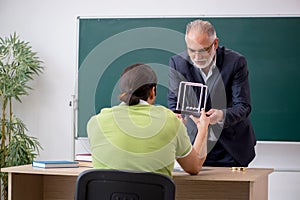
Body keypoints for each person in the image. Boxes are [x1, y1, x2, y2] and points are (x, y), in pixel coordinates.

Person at [87, 63, 209, 177]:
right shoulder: (170, 121)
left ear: (123, 90)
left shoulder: (95, 122)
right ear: (153, 90)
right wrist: (203, 129)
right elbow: (194, 167)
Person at [168, 19, 256, 167]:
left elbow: (243, 106)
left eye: (202, 50)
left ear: (215, 44)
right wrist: (177, 116)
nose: (196, 57)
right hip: (195, 143)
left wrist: (220, 115)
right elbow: (174, 103)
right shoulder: (178, 63)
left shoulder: (235, 62)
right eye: (191, 50)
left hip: (231, 146)